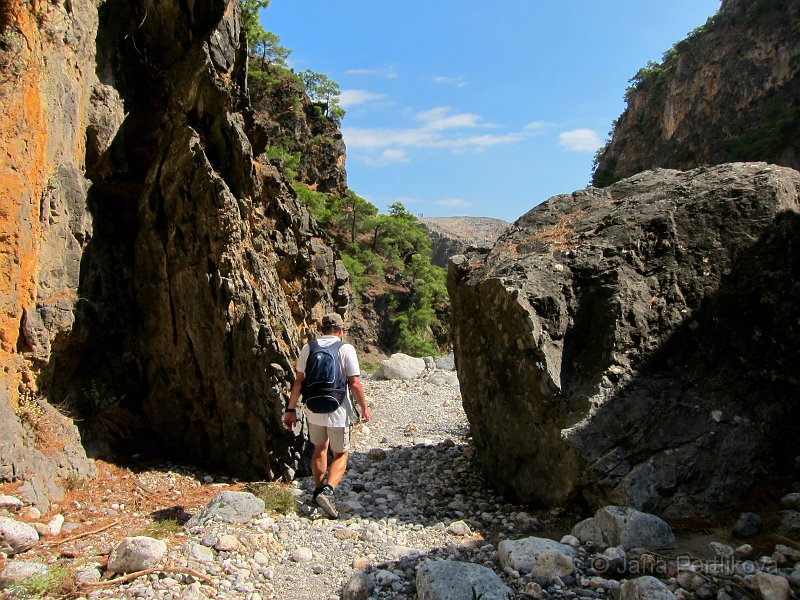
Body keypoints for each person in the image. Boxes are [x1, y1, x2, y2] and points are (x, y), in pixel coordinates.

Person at [283, 313, 371, 518]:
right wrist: (364, 408)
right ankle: (328, 491)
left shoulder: (309, 348)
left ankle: (316, 489)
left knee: (319, 448)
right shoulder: (345, 348)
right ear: (340, 331)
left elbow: (298, 382)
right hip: (338, 409)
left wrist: (290, 410)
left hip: (313, 408)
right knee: (340, 454)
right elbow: (355, 383)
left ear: (321, 329)